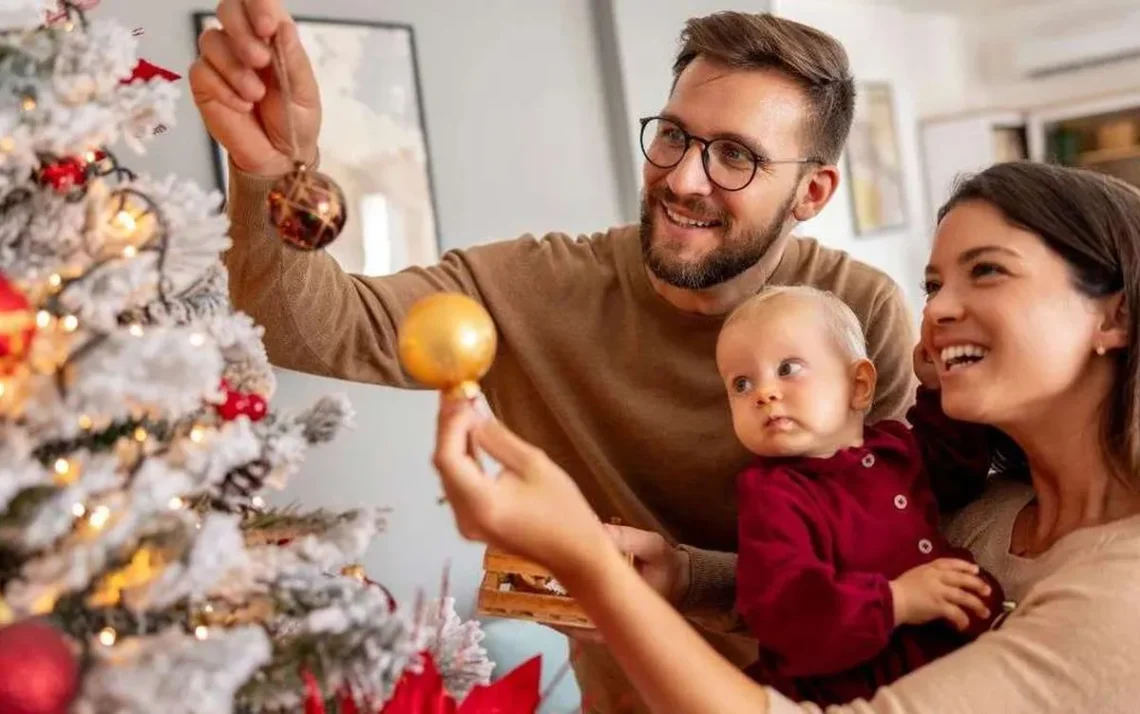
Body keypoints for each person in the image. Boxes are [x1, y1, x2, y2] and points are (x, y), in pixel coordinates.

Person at [191, 3, 917, 709]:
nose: (685, 179)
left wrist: (689, 579)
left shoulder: (858, 313)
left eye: (735, 156)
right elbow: (309, 327)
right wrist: (272, 168)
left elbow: (898, 563)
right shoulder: (534, 288)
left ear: (811, 192)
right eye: (673, 137)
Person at [431, 160, 1140, 713]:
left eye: (987, 271)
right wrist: (685, 577)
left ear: (1113, 317)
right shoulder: (982, 508)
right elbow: (838, 582)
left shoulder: (1121, 595)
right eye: (933, 285)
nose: (940, 310)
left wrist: (586, 564)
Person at [716, 286, 1002, 705]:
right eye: (741, 383)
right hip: (854, 687)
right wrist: (897, 600)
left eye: (788, 368)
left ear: (860, 385)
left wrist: (937, 388)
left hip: (948, 660)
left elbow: (958, 474)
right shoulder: (773, 496)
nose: (764, 393)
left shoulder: (893, 449)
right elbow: (786, 610)